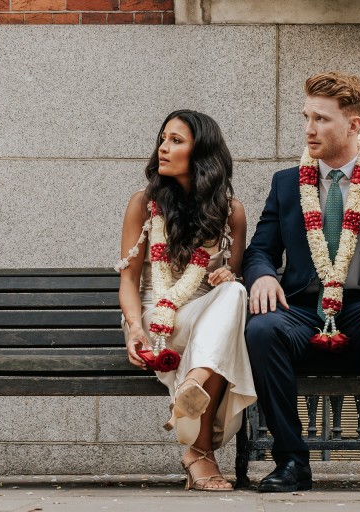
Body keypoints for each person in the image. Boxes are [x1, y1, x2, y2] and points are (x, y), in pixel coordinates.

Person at [243, 72, 360, 494]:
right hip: (303, 309)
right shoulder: (286, 184)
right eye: (306, 117)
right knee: (261, 328)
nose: (310, 129)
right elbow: (260, 251)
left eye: (322, 119)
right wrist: (262, 278)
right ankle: (291, 462)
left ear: (354, 124)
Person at [117, 110, 256, 491]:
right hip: (154, 319)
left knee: (234, 290)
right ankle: (200, 453)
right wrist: (134, 329)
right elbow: (128, 279)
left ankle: (192, 385)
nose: (163, 147)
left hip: (203, 319)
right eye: (163, 139)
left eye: (176, 140)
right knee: (216, 345)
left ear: (202, 153)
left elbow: (231, 277)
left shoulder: (231, 213)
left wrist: (227, 275)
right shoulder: (143, 205)